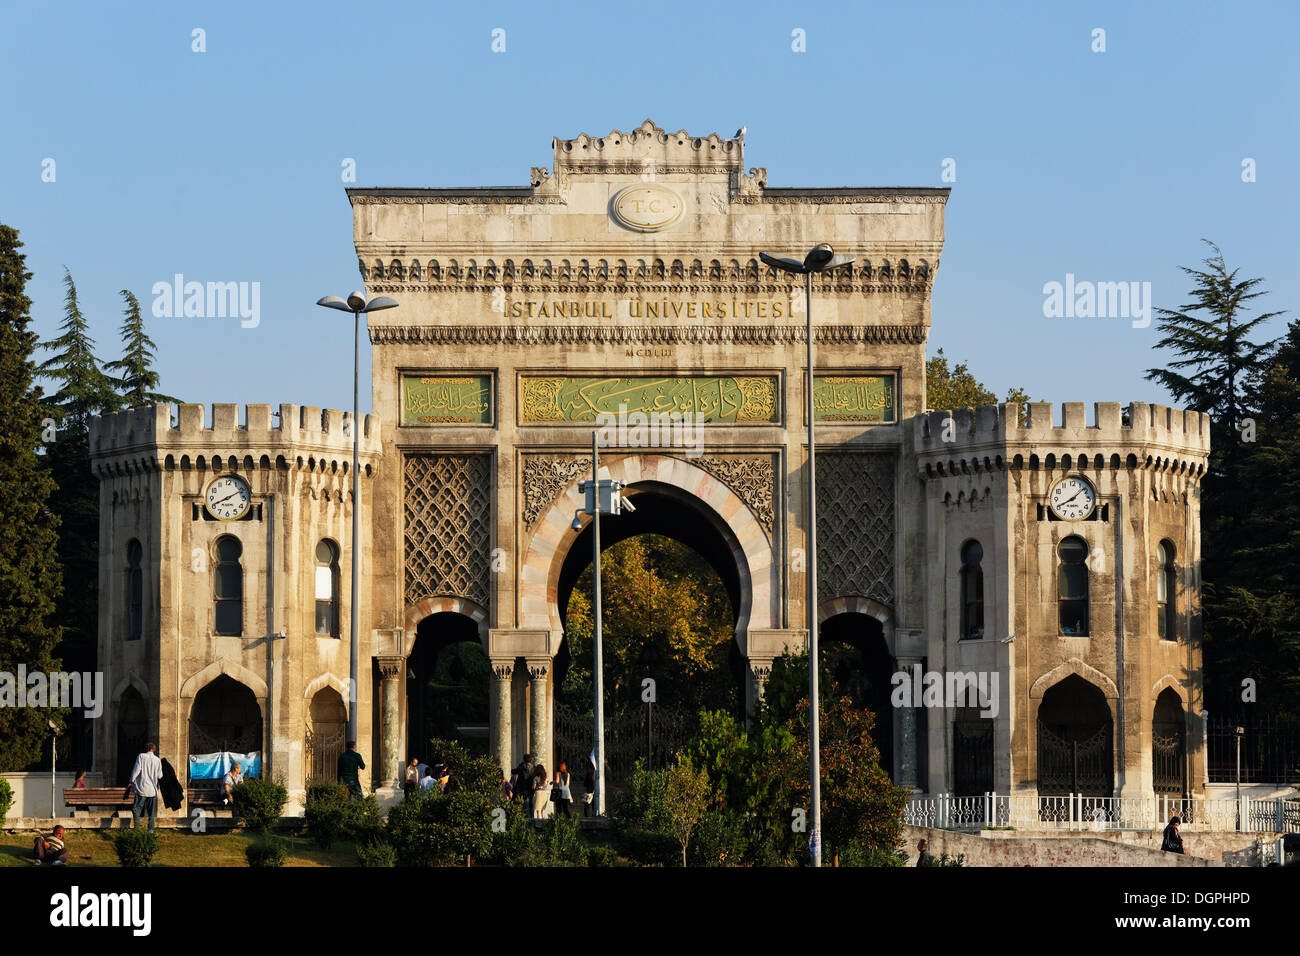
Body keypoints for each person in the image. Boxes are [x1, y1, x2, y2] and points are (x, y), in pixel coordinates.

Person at [128, 742, 163, 831]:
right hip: (153, 790)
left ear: (146, 748)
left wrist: (131, 780)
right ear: (154, 750)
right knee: (151, 813)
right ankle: (151, 830)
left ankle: (137, 828)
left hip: (142, 788)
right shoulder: (157, 760)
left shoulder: (141, 756)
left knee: (136, 809)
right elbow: (160, 776)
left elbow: (137, 769)